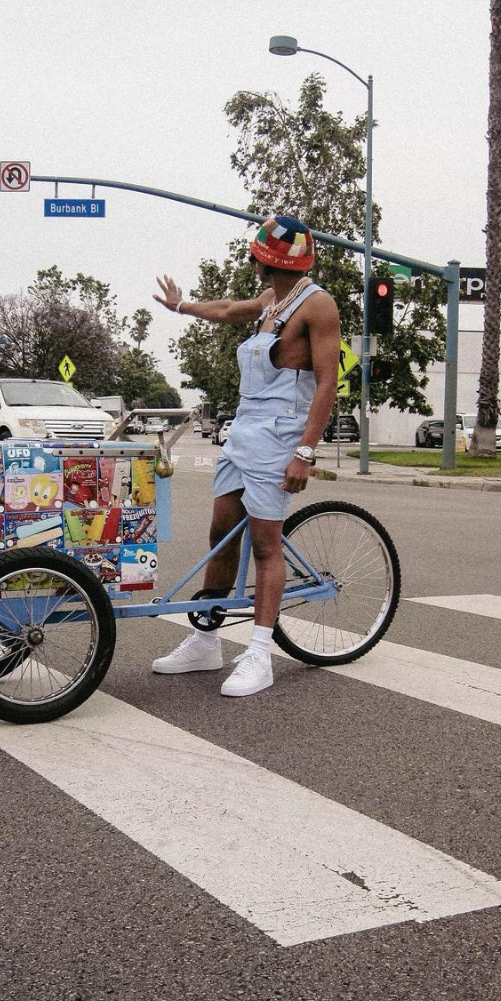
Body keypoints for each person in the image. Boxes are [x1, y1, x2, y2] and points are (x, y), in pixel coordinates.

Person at [151, 214, 340, 697]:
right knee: (221, 531)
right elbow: (227, 308)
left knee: (265, 545)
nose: (251, 260)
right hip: (244, 430)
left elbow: (326, 384)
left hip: (280, 438)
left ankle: (259, 652)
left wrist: (305, 451)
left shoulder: (317, 306)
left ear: (264, 260)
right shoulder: (270, 301)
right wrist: (182, 306)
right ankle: (206, 639)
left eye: (255, 254)